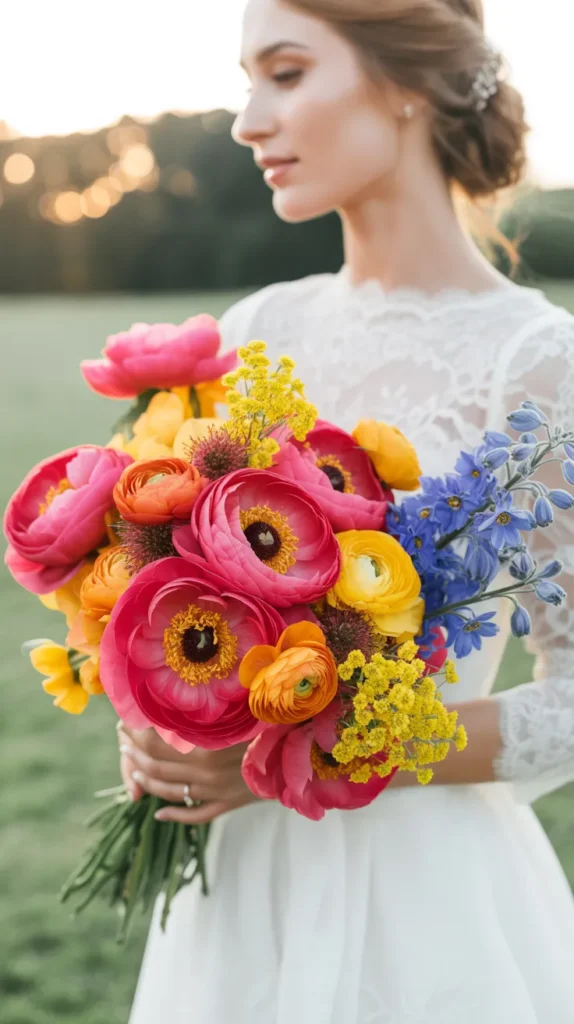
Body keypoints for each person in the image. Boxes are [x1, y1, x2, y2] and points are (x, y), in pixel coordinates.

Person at [122, 1, 574, 1020]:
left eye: (284, 73)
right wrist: (158, 720)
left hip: (424, 902)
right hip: (238, 893)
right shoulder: (253, 331)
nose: (246, 120)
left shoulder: (537, 364)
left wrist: (332, 747)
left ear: (407, 80)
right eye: (247, 79)